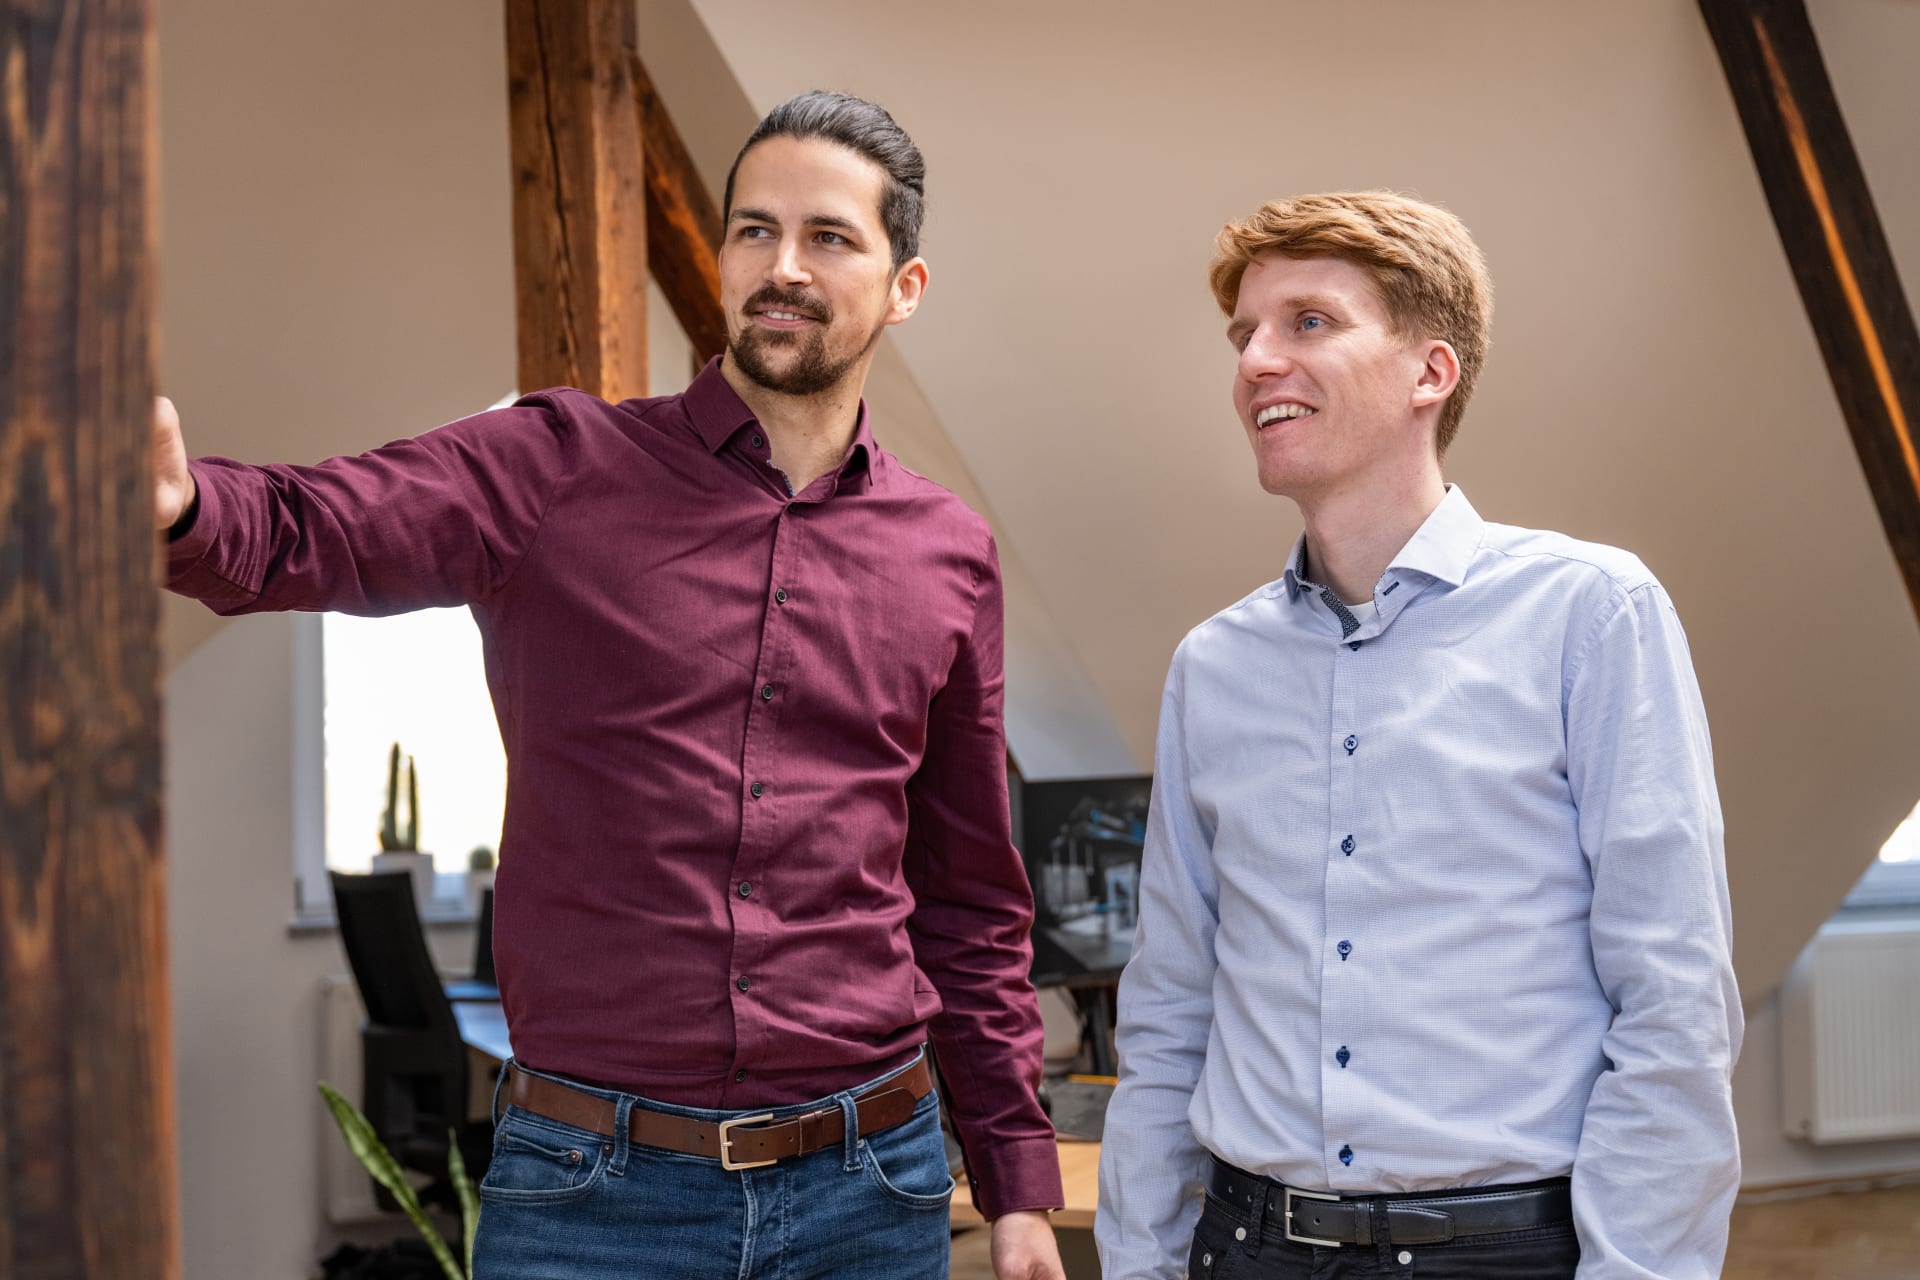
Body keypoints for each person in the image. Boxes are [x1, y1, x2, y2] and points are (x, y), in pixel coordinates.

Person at [156, 91, 1066, 1280]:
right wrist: (180, 507)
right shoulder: (552, 469)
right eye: (754, 230)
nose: (781, 267)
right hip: (593, 1197)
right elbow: (320, 523)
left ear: (906, 285)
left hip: (871, 1188)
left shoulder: (950, 552)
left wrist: (1017, 1184)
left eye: (830, 237)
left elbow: (969, 899)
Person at [1095, 191, 1741, 1280]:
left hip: (1500, 1252)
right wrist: (1137, 1259)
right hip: (1247, 1248)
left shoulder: (1592, 613)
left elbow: (1673, 1006)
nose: (1256, 359)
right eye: (1244, 333)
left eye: (1307, 322)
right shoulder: (1213, 666)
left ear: (1429, 372)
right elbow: (1169, 1009)